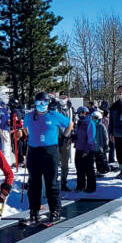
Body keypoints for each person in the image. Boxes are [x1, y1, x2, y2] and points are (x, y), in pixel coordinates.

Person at [21, 92, 73, 224]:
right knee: (34, 183)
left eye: (43, 103)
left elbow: (69, 123)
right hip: (34, 152)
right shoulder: (29, 116)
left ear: (48, 103)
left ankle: (55, 210)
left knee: (51, 182)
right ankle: (34, 211)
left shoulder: (54, 115)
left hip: (50, 152)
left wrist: (65, 137)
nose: (41, 106)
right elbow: (24, 128)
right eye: (38, 103)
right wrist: (29, 137)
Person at [73, 106, 97, 192]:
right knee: (79, 168)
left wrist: (86, 150)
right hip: (79, 148)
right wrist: (73, 137)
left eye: (81, 113)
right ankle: (80, 185)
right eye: (79, 114)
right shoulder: (79, 122)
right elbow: (77, 134)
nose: (80, 115)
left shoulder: (89, 123)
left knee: (89, 168)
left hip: (87, 149)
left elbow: (91, 138)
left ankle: (91, 187)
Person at [56, 94, 74, 190]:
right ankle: (54, 182)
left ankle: (64, 182)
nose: (62, 99)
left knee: (65, 162)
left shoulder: (70, 109)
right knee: (54, 162)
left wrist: (69, 135)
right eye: (61, 97)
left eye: (64, 97)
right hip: (56, 138)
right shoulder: (55, 108)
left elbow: (72, 123)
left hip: (66, 138)